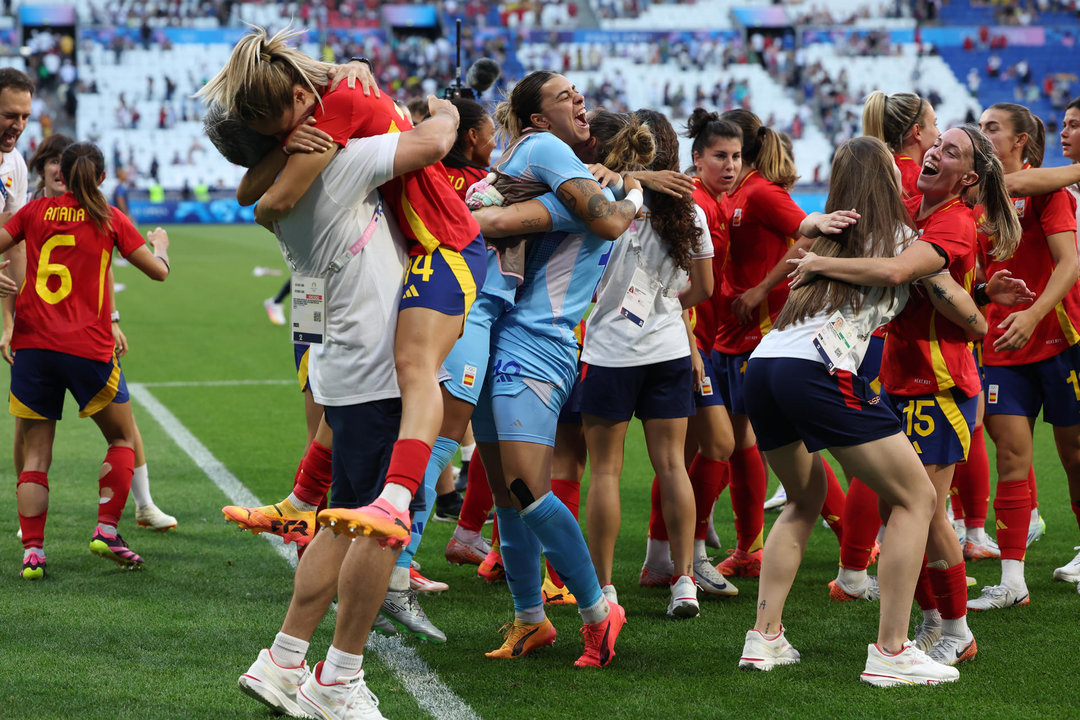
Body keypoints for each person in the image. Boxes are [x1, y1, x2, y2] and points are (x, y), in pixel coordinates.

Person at [205, 95, 462, 718]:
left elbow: (259, 195)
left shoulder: (282, 202)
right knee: (376, 531)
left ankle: (285, 657)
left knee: (342, 522)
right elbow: (432, 143)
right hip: (376, 375)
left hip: (341, 374)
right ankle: (339, 676)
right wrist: (444, 108)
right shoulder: (340, 167)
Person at [198, 27, 487, 551]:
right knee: (335, 388)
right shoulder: (318, 117)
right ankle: (309, 502)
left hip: (433, 247)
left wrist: (445, 115)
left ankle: (382, 511)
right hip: (349, 276)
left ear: (299, 101)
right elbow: (254, 193)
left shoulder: (331, 121)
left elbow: (265, 202)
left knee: (389, 377)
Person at [739, 135, 979, 686]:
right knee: (916, 497)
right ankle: (892, 650)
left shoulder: (827, 229)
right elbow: (924, 283)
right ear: (889, 181)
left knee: (803, 499)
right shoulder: (900, 237)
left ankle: (765, 638)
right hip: (819, 368)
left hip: (767, 364)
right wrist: (983, 313)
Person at [788, 126, 1026, 666]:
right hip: (899, 380)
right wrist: (984, 294)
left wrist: (820, 263)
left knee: (925, 513)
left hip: (941, 386)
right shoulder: (918, 204)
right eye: (936, 143)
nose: (935, 152)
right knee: (907, 509)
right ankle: (932, 621)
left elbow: (899, 271)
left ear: (968, 177)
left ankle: (954, 628)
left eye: (951, 152)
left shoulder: (956, 222)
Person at [465, 71, 645, 666]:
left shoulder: (541, 155)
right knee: (506, 493)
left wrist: (629, 189)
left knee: (523, 485)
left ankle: (597, 612)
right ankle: (529, 619)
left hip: (537, 340)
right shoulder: (536, 156)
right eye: (564, 96)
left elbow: (606, 219)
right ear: (538, 118)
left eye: (580, 94)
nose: (579, 99)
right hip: (506, 332)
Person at [1, 142, 171, 579]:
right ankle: (107, 529)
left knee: (35, 456)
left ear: (62, 173)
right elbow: (158, 272)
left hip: (34, 347)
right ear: (98, 178)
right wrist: (161, 244)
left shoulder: (34, 213)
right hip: (87, 348)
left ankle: (33, 553)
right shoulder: (109, 217)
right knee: (122, 439)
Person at [578, 108, 717, 618]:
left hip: (608, 350)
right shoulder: (691, 212)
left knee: (606, 473)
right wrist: (665, 307)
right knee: (673, 466)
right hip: (667, 349)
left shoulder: (602, 200)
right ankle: (684, 580)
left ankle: (604, 588)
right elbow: (703, 289)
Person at [710, 108, 846, 579]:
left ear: (742, 149)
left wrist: (762, 289)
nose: (725, 161)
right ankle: (748, 547)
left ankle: (853, 539)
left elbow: (811, 234)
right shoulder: (734, 193)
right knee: (740, 442)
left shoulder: (762, 193)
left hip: (765, 335)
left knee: (779, 442)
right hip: (732, 335)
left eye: (730, 151)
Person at [968, 102, 1080, 610]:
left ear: (1020, 143)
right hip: (1003, 344)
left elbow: (1069, 263)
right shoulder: (974, 199)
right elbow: (973, 275)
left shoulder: (1046, 188)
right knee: (1011, 455)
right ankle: (1012, 580)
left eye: (992, 128)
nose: (982, 133)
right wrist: (987, 293)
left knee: (1075, 457)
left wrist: (1034, 315)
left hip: (1058, 339)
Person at [641, 109, 740, 597]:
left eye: (737, 156)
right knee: (717, 445)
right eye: (719, 155)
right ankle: (693, 555)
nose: (730, 164)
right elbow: (682, 286)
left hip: (697, 340)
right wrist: (678, 324)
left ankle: (660, 557)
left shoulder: (711, 204)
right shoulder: (690, 203)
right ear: (693, 158)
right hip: (685, 343)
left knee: (683, 453)